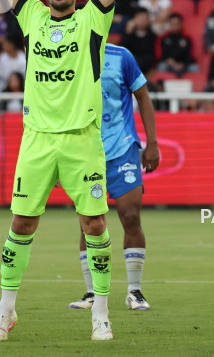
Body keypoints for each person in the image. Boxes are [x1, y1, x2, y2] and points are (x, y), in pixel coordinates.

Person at [0, 0, 117, 342]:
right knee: (21, 223)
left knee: (95, 223)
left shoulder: (93, 21)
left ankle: (100, 312)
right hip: (37, 139)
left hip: (82, 140)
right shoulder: (32, 16)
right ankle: (6, 311)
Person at [68, 43, 159, 311]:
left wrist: (151, 143)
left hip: (122, 148)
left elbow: (143, 96)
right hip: (85, 151)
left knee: (130, 215)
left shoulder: (121, 56)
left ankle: (135, 291)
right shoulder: (69, 54)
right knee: (89, 221)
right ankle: (92, 292)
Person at [121, 8, 157, 73]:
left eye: (145, 18)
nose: (142, 21)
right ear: (134, 20)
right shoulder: (128, 35)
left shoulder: (153, 36)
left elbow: (152, 56)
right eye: (139, 18)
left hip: (146, 69)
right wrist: (128, 33)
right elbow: (122, 51)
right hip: (129, 67)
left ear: (149, 20)